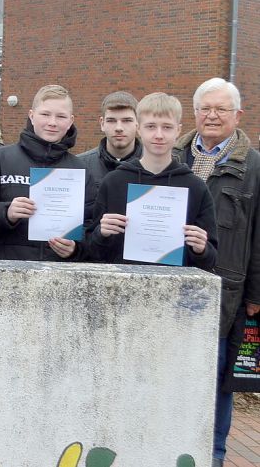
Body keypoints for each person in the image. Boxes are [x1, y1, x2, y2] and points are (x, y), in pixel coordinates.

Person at [171, 78, 260, 467]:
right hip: (172, 288)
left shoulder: (254, 167)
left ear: (237, 115)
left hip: (226, 292)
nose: (212, 115)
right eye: (205, 108)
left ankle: (214, 455)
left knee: (218, 381)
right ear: (194, 113)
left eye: (221, 109)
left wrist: (256, 295)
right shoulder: (173, 157)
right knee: (172, 375)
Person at [86, 92, 216, 268]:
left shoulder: (195, 187)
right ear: (139, 128)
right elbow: (93, 252)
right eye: (151, 126)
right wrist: (101, 234)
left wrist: (201, 249)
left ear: (178, 130)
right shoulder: (114, 182)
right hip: (122, 287)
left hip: (176, 290)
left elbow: (210, 260)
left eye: (167, 127)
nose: (159, 135)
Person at [0, 84, 96, 260]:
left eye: (61, 116)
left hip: (58, 274)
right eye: (45, 114)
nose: (52, 122)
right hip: (6, 269)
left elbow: (92, 227)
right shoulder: (0, 159)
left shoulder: (79, 169)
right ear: (31, 116)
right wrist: (6, 213)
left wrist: (76, 249)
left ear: (70, 121)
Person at [78, 91, 143, 191]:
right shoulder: (80, 166)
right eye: (111, 121)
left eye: (127, 120)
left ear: (137, 123)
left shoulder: (155, 167)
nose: (119, 128)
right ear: (102, 123)